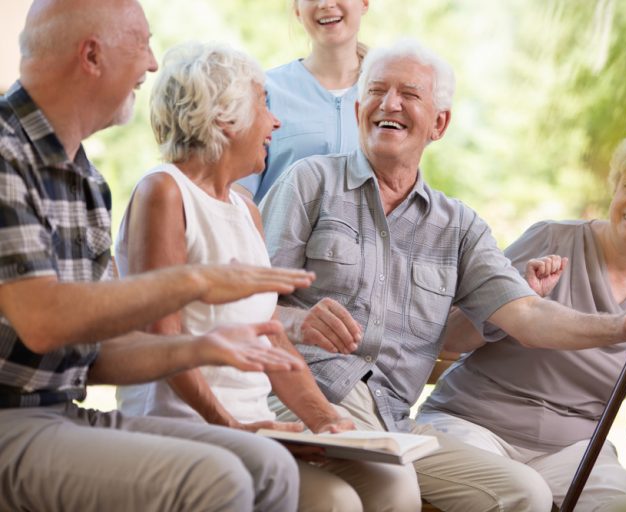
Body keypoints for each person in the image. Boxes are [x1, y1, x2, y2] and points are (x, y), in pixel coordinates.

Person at [260, 39, 626, 512]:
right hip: (306, 394)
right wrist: (298, 322)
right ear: (359, 108)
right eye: (377, 91)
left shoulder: (458, 226)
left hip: (395, 422)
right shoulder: (310, 181)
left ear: (439, 123)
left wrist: (618, 324)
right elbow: (249, 303)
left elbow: (528, 316)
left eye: (409, 94)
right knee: (391, 490)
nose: (390, 104)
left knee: (524, 493)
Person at [0, 1, 318, 510]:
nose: (152, 64)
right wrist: (194, 282)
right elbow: (41, 321)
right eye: (141, 43)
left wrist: (203, 347)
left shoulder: (86, 180)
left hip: (61, 409)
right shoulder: (5, 154)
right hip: (9, 418)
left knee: (271, 467)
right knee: (218, 480)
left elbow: (95, 356)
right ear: (92, 55)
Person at [115, 40, 408, 512]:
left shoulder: (245, 209)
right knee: (334, 502)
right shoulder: (164, 192)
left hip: (253, 430)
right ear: (224, 119)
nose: (275, 122)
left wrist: (326, 421)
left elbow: (273, 339)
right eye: (264, 105)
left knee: (389, 486)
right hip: (185, 428)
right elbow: (161, 343)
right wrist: (233, 427)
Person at [417, 128, 626, 511]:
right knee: (523, 495)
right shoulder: (551, 239)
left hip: (570, 456)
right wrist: (519, 297)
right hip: (474, 426)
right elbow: (451, 337)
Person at [238, 0, 368, 202]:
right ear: (297, 10)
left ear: (365, 3)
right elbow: (239, 194)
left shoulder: (389, 96)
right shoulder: (264, 91)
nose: (326, 4)